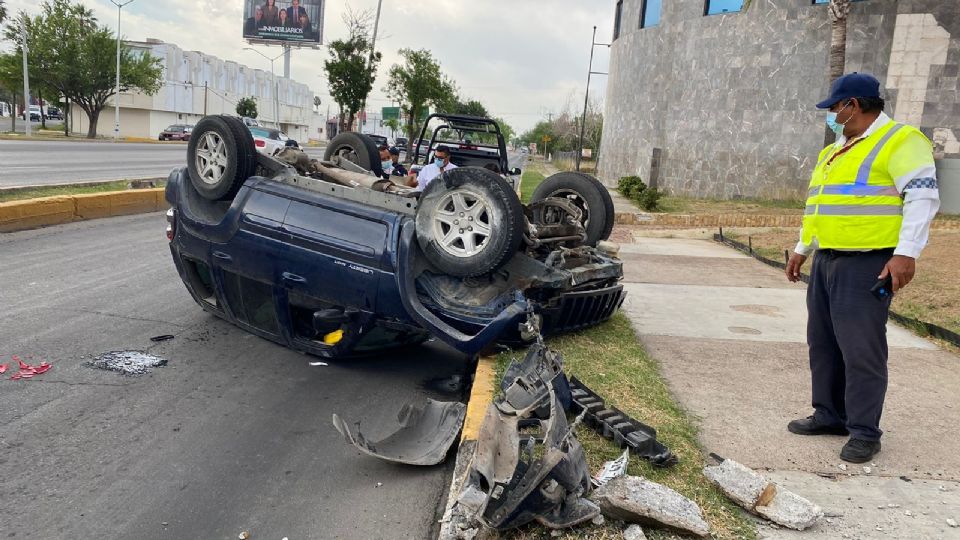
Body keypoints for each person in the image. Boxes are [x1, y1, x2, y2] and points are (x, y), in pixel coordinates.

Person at [785, 73, 940, 464]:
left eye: (835, 108)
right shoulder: (835, 150)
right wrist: (803, 249)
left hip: (868, 262)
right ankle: (829, 414)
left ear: (853, 104)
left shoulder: (901, 140)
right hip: (827, 260)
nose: (832, 115)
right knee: (822, 342)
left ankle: (865, 431)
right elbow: (817, 204)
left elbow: (922, 199)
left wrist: (906, 253)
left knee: (861, 349)